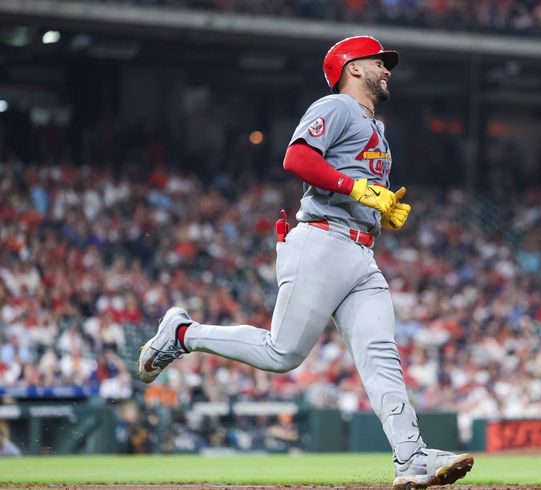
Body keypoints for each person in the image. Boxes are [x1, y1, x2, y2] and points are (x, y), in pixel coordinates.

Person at [137, 36, 473, 488]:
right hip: (322, 242)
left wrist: (379, 211)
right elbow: (296, 158)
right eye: (378, 61)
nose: (386, 68)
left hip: (360, 252)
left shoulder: (378, 127)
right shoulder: (334, 106)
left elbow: (357, 184)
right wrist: (356, 191)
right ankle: (183, 333)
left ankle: (411, 457)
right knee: (282, 354)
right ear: (352, 68)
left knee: (381, 356)